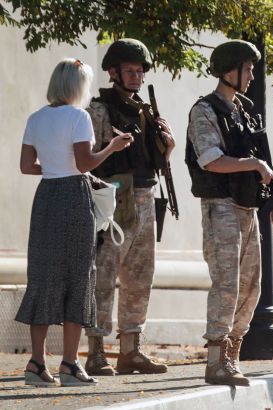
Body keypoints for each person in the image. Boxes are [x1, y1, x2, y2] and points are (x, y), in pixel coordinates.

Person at [15, 58, 133, 387]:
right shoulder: (79, 117)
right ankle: (69, 363)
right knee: (79, 277)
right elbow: (84, 164)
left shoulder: (36, 118)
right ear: (77, 86)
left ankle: (36, 363)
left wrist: (54, 167)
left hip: (46, 197)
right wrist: (111, 147)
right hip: (73, 198)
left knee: (43, 276)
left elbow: (26, 166)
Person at [186, 39, 273, 386]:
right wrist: (253, 164)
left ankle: (232, 356)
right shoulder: (205, 111)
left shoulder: (243, 111)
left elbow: (261, 164)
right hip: (221, 207)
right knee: (226, 284)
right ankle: (216, 360)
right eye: (248, 69)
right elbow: (210, 159)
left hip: (247, 208)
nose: (252, 76)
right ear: (230, 70)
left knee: (250, 286)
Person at [84, 38, 175, 376]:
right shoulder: (98, 110)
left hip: (146, 196)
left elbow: (156, 160)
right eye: (130, 71)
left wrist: (168, 145)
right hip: (113, 197)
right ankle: (95, 351)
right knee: (104, 275)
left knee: (140, 275)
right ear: (113, 72)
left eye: (140, 71)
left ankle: (130, 349)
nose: (137, 76)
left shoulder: (145, 111)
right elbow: (87, 158)